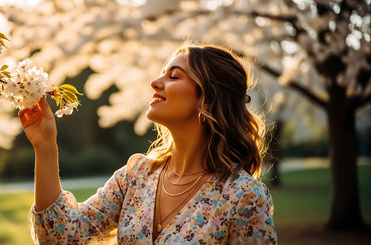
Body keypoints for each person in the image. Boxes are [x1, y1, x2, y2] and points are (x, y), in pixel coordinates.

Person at [19, 42, 277, 244]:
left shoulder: (244, 197)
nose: (155, 82)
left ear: (207, 99)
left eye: (174, 77)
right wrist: (45, 147)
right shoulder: (136, 176)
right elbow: (59, 236)